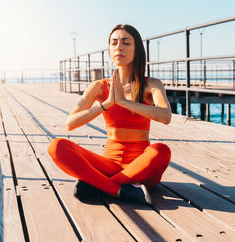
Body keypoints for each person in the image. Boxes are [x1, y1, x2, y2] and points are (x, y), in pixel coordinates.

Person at [47, 24, 172, 205]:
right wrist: (105, 105)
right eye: (114, 43)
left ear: (137, 49)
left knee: (161, 151)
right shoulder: (99, 86)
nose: (119, 47)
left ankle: (99, 185)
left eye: (126, 43)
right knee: (56, 146)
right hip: (109, 165)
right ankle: (119, 189)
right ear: (109, 49)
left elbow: (166, 116)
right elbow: (70, 123)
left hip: (143, 167)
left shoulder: (151, 84)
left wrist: (124, 102)